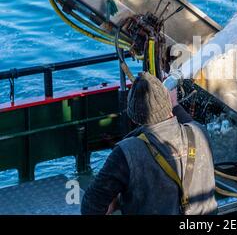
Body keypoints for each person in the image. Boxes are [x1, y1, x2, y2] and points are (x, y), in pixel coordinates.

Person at [81, 72, 217, 215]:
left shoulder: (126, 153)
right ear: (169, 106)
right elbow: (189, 122)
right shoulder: (200, 133)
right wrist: (174, 105)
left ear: (133, 118)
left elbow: (90, 207)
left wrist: (118, 202)